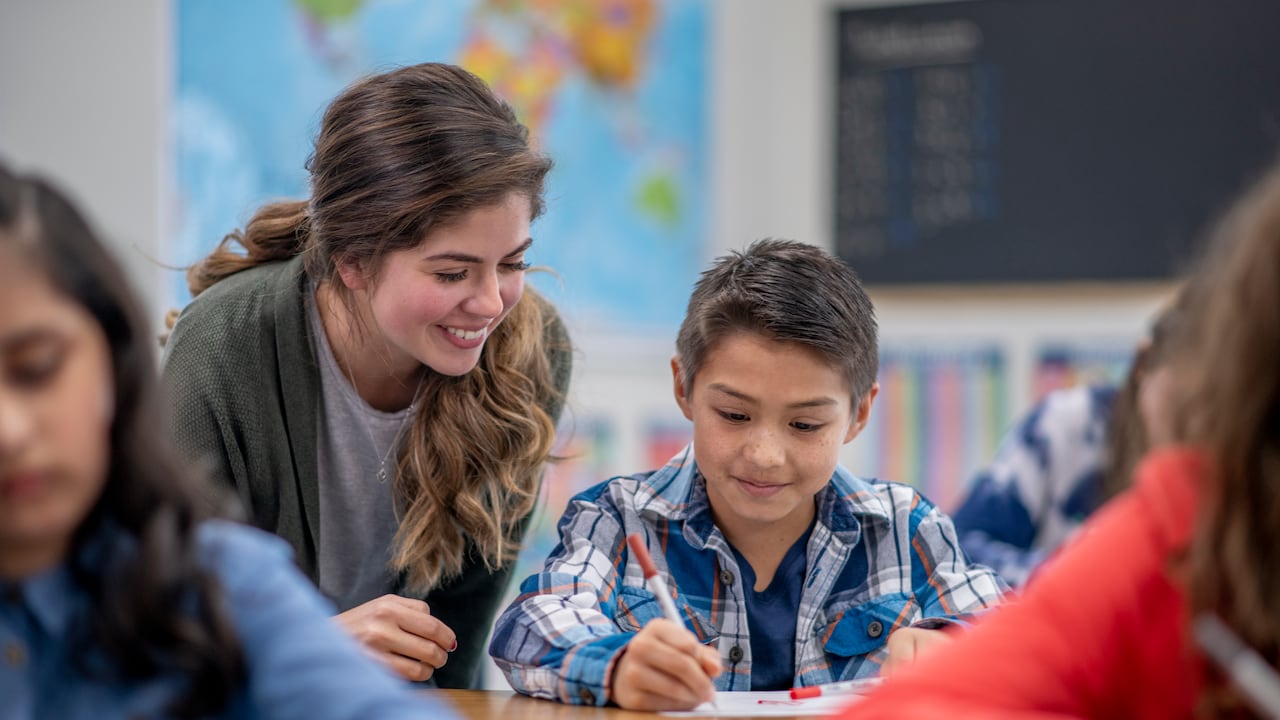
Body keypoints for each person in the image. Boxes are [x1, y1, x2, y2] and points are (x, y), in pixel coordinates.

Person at [161, 62, 573, 688]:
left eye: (512, 263)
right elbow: (167, 627)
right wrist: (311, 647)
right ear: (351, 260)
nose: (492, 303)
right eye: (452, 273)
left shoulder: (532, 348)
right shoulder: (222, 345)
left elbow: (454, 653)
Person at [0, 163, 456, 718]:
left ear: (116, 365)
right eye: (451, 273)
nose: (10, 432)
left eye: (37, 368)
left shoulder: (224, 586)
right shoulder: (224, 337)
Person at [488, 239, 1007, 711]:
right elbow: (528, 627)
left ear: (859, 414)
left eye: (804, 425)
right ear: (684, 388)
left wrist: (956, 645)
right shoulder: (618, 518)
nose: (764, 455)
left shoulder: (904, 526)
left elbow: (1008, 629)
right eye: (734, 415)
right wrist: (617, 666)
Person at [840, 164, 1280, 719]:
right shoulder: (1085, 435)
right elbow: (968, 539)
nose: (1186, 419)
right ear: (1143, 368)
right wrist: (1072, 574)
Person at [951, 302, 1182, 587]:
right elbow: (958, 550)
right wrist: (1071, 575)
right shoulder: (1073, 423)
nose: (1192, 426)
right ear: (1144, 365)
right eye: (1180, 399)